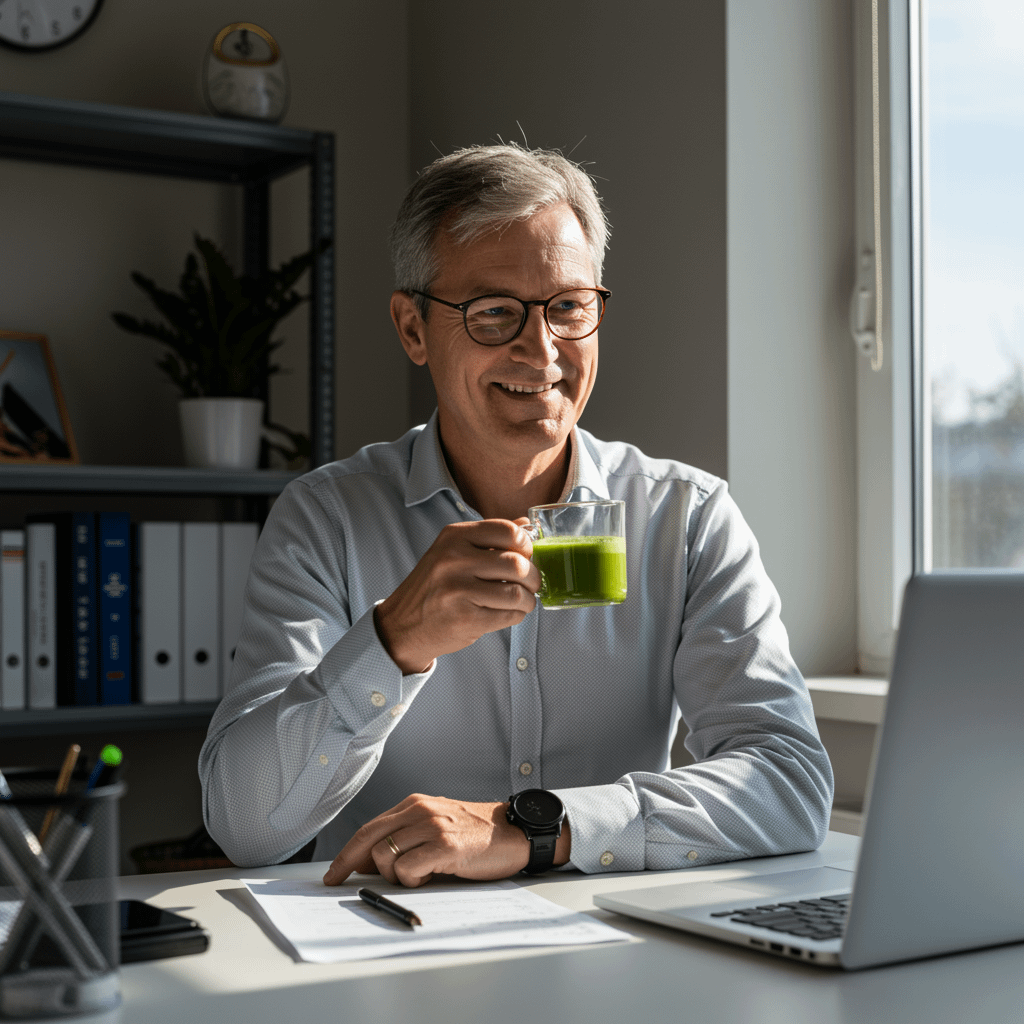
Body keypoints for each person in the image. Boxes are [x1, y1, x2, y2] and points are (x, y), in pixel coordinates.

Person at [199, 144, 833, 888]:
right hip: (385, 952)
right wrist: (391, 641)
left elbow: (787, 783)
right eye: (494, 312)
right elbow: (246, 828)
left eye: (568, 308)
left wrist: (533, 827)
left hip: (618, 955)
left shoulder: (684, 519)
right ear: (412, 328)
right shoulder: (326, 520)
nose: (542, 351)